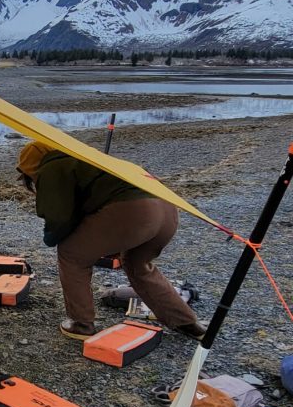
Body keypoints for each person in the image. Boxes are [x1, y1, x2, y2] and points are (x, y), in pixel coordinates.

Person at [16, 141, 207, 341]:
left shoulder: (53, 167)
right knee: (137, 264)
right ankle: (187, 322)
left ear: (31, 167)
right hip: (166, 208)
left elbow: (59, 217)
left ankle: (81, 324)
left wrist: (51, 237)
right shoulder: (85, 158)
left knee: (72, 255)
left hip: (135, 212)